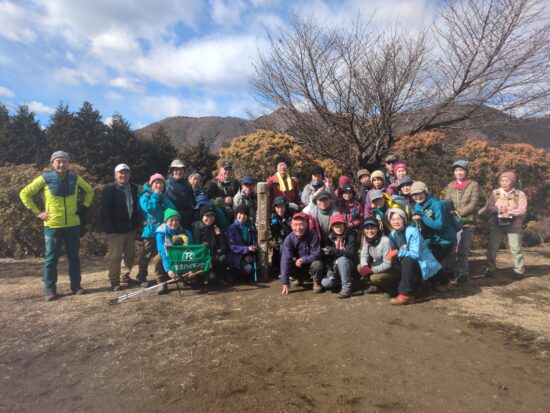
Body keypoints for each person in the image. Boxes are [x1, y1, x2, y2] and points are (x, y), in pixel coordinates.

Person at [20, 151, 94, 301]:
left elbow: (90, 191)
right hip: (52, 225)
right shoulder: (45, 178)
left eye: (64, 161)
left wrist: (84, 207)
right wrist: (37, 212)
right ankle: (50, 289)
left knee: (74, 257)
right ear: (52, 163)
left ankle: (76, 286)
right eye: (58, 161)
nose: (61, 164)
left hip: (73, 224)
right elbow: (24, 193)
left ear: (69, 163)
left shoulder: (75, 178)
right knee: (51, 258)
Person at [100, 163, 142, 291]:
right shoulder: (109, 188)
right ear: (115, 175)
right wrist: (109, 229)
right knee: (115, 257)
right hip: (115, 230)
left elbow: (136, 207)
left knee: (130, 254)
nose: (123, 175)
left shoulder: (133, 187)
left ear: (129, 174)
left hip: (130, 228)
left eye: (126, 172)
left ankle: (125, 277)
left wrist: (137, 225)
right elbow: (105, 210)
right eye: (121, 173)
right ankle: (114, 281)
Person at [387, 208, 441, 305]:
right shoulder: (392, 234)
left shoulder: (412, 231)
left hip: (421, 262)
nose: (395, 222)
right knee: (395, 261)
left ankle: (405, 295)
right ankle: (410, 288)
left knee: (407, 260)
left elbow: (415, 254)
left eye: (398, 219)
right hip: (406, 265)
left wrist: (399, 252)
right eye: (393, 219)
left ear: (404, 220)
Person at [410, 181, 457, 291]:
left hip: (445, 239)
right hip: (432, 239)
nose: (417, 197)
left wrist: (423, 218)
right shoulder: (417, 206)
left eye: (420, 193)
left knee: (431, 261)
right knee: (425, 258)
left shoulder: (436, 204)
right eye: (414, 195)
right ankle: (435, 282)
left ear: (426, 192)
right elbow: (419, 224)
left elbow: (439, 225)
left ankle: (445, 283)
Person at [443, 160, 480, 284]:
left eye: (461, 170)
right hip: (453, 222)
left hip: (467, 222)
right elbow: (447, 202)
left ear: (466, 172)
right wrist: (451, 214)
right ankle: (450, 272)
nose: (459, 172)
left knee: (463, 249)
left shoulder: (473, 185)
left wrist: (459, 213)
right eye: (457, 170)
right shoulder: (450, 185)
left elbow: (474, 203)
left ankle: (463, 274)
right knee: (451, 248)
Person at [137, 173, 176, 288]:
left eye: (161, 183)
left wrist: (164, 199)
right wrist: (155, 196)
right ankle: (141, 277)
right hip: (150, 231)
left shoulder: (163, 196)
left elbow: (173, 210)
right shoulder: (145, 196)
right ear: (151, 184)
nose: (159, 185)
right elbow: (150, 208)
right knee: (146, 255)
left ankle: (163, 277)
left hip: (163, 231)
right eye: (156, 183)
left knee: (163, 254)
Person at [486, 171, 527, 279]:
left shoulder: (519, 194)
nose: (504, 183)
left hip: (514, 224)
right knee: (493, 247)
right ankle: (490, 269)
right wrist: (499, 209)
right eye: (502, 180)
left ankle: (519, 271)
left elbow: (522, 210)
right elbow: (489, 207)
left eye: (506, 180)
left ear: (512, 182)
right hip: (496, 223)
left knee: (515, 248)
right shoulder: (495, 193)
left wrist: (510, 212)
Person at [280, 212, 323, 295]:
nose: (298, 228)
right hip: (298, 265)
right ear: (292, 226)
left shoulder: (313, 236)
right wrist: (285, 281)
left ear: (306, 225)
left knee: (317, 264)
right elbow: (285, 259)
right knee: (287, 263)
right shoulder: (289, 239)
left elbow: (317, 254)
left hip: (310, 264)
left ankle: (316, 282)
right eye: (295, 225)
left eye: (301, 225)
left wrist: (303, 259)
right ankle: (300, 279)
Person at [153, 209, 194, 294]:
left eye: (176, 220)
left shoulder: (186, 232)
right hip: (167, 256)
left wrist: (191, 268)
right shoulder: (161, 233)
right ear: (166, 221)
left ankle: (183, 277)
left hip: (181, 256)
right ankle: (162, 282)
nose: (174, 222)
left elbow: (191, 250)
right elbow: (162, 251)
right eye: (171, 220)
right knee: (158, 258)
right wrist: (168, 269)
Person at [358, 217, 399, 296]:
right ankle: (376, 286)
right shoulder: (366, 239)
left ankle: (393, 288)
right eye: (367, 228)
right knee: (360, 267)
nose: (369, 231)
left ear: (377, 228)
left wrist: (372, 270)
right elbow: (364, 256)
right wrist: (365, 266)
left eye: (372, 228)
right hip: (377, 265)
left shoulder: (385, 241)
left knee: (374, 278)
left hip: (392, 269)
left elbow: (388, 263)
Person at [319, 214, 357, 298]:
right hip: (335, 268)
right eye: (336, 225)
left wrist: (335, 251)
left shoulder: (351, 236)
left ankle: (346, 288)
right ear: (332, 227)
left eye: (340, 224)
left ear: (344, 225)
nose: (338, 227)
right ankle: (344, 281)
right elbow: (326, 257)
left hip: (348, 265)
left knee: (342, 260)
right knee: (324, 283)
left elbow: (350, 254)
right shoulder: (329, 238)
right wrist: (329, 269)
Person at [192, 204, 228, 287]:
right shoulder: (197, 228)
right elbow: (196, 247)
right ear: (202, 217)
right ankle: (205, 277)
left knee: (223, 257)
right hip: (203, 259)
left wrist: (219, 235)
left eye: (212, 216)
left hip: (214, 256)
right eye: (207, 216)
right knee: (212, 279)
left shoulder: (216, 227)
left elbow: (223, 246)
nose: (210, 218)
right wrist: (202, 247)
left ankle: (221, 278)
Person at [226, 205, 259, 281]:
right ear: (236, 214)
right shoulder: (231, 228)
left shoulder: (248, 227)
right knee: (249, 269)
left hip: (246, 255)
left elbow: (251, 241)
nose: (242, 216)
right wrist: (247, 248)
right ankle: (233, 273)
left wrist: (254, 246)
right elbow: (232, 247)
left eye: (245, 214)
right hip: (235, 256)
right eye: (240, 213)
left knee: (256, 267)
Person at [165, 159, 196, 230]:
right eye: (176, 169)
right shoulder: (167, 183)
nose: (179, 171)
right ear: (171, 171)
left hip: (187, 216)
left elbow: (192, 199)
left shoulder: (187, 183)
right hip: (172, 217)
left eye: (181, 169)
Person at [270, 196, 297, 274]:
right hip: (279, 238)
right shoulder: (273, 216)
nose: (280, 209)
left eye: (282, 207)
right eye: (277, 207)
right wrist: (280, 241)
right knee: (278, 247)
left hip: (292, 237)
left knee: (284, 247)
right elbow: (274, 232)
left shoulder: (292, 215)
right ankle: (277, 266)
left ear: (286, 206)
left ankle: (286, 269)